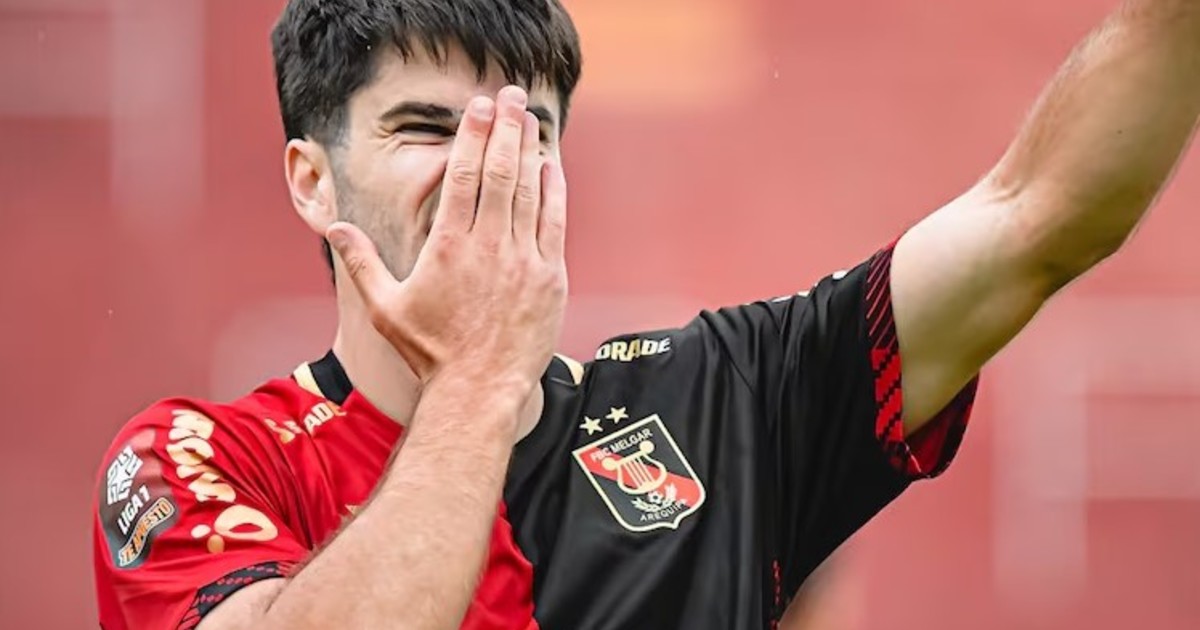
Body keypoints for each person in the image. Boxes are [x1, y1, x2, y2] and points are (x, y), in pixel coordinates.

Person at [91, 0, 1200, 628]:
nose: (481, 173)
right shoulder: (194, 462)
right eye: (426, 129)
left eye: (524, 134)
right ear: (312, 179)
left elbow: (1038, 213)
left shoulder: (722, 400)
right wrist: (477, 377)